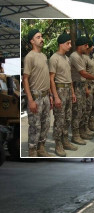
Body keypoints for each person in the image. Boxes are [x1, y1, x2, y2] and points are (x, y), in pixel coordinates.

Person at [23, 28, 54, 157]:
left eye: (41, 37)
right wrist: (30, 100)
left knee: (45, 124)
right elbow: (25, 79)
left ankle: (41, 148)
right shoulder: (29, 57)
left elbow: (46, 76)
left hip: (46, 95)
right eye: (38, 37)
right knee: (35, 126)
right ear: (32, 41)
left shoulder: (43, 56)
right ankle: (32, 150)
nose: (41, 39)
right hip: (35, 96)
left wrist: (51, 95)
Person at [48, 32, 77, 157]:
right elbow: (51, 79)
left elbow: (69, 77)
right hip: (59, 90)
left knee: (67, 118)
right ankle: (58, 143)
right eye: (68, 43)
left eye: (70, 43)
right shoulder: (54, 58)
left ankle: (65, 140)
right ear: (61, 44)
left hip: (67, 90)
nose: (70, 45)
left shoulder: (67, 58)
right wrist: (55, 96)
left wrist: (72, 92)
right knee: (59, 119)